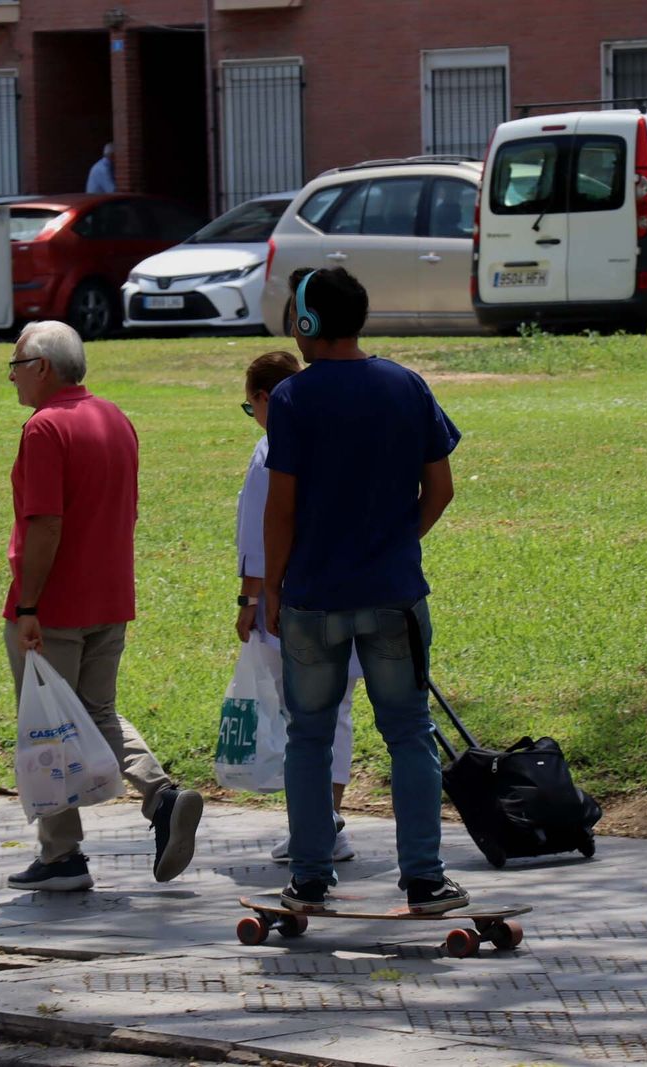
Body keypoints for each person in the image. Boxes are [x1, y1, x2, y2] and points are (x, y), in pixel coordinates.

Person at [262, 267, 467, 915]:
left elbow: (282, 508)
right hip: (394, 594)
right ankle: (425, 877)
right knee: (409, 733)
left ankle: (311, 875)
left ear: (308, 323)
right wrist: (401, 540)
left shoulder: (293, 398)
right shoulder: (408, 386)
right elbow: (441, 488)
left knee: (310, 736)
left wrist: (271, 586)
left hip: (314, 598)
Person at [2, 320, 203, 892]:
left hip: (56, 604)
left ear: (42, 366)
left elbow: (44, 524)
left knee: (45, 725)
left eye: (16, 366)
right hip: (111, 594)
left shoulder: (44, 428)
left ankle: (61, 854)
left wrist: (28, 605)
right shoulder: (116, 418)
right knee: (96, 712)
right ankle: (161, 796)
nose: (12, 379)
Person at [235, 350, 360, 863]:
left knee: (301, 715)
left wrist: (249, 599)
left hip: (289, 600)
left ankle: (313, 829)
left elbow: (262, 537)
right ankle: (328, 820)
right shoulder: (341, 441)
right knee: (339, 712)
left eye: (250, 407)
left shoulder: (272, 450)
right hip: (353, 590)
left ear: (266, 398)